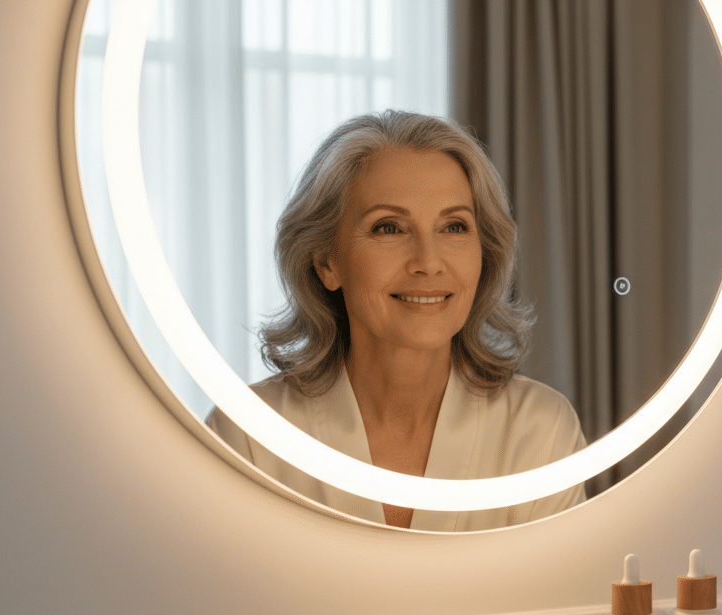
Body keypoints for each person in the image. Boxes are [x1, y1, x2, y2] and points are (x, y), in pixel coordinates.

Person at [208, 111, 586, 531]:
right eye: (389, 228)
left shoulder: (540, 429)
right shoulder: (250, 436)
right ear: (327, 262)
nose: (428, 262)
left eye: (454, 227)